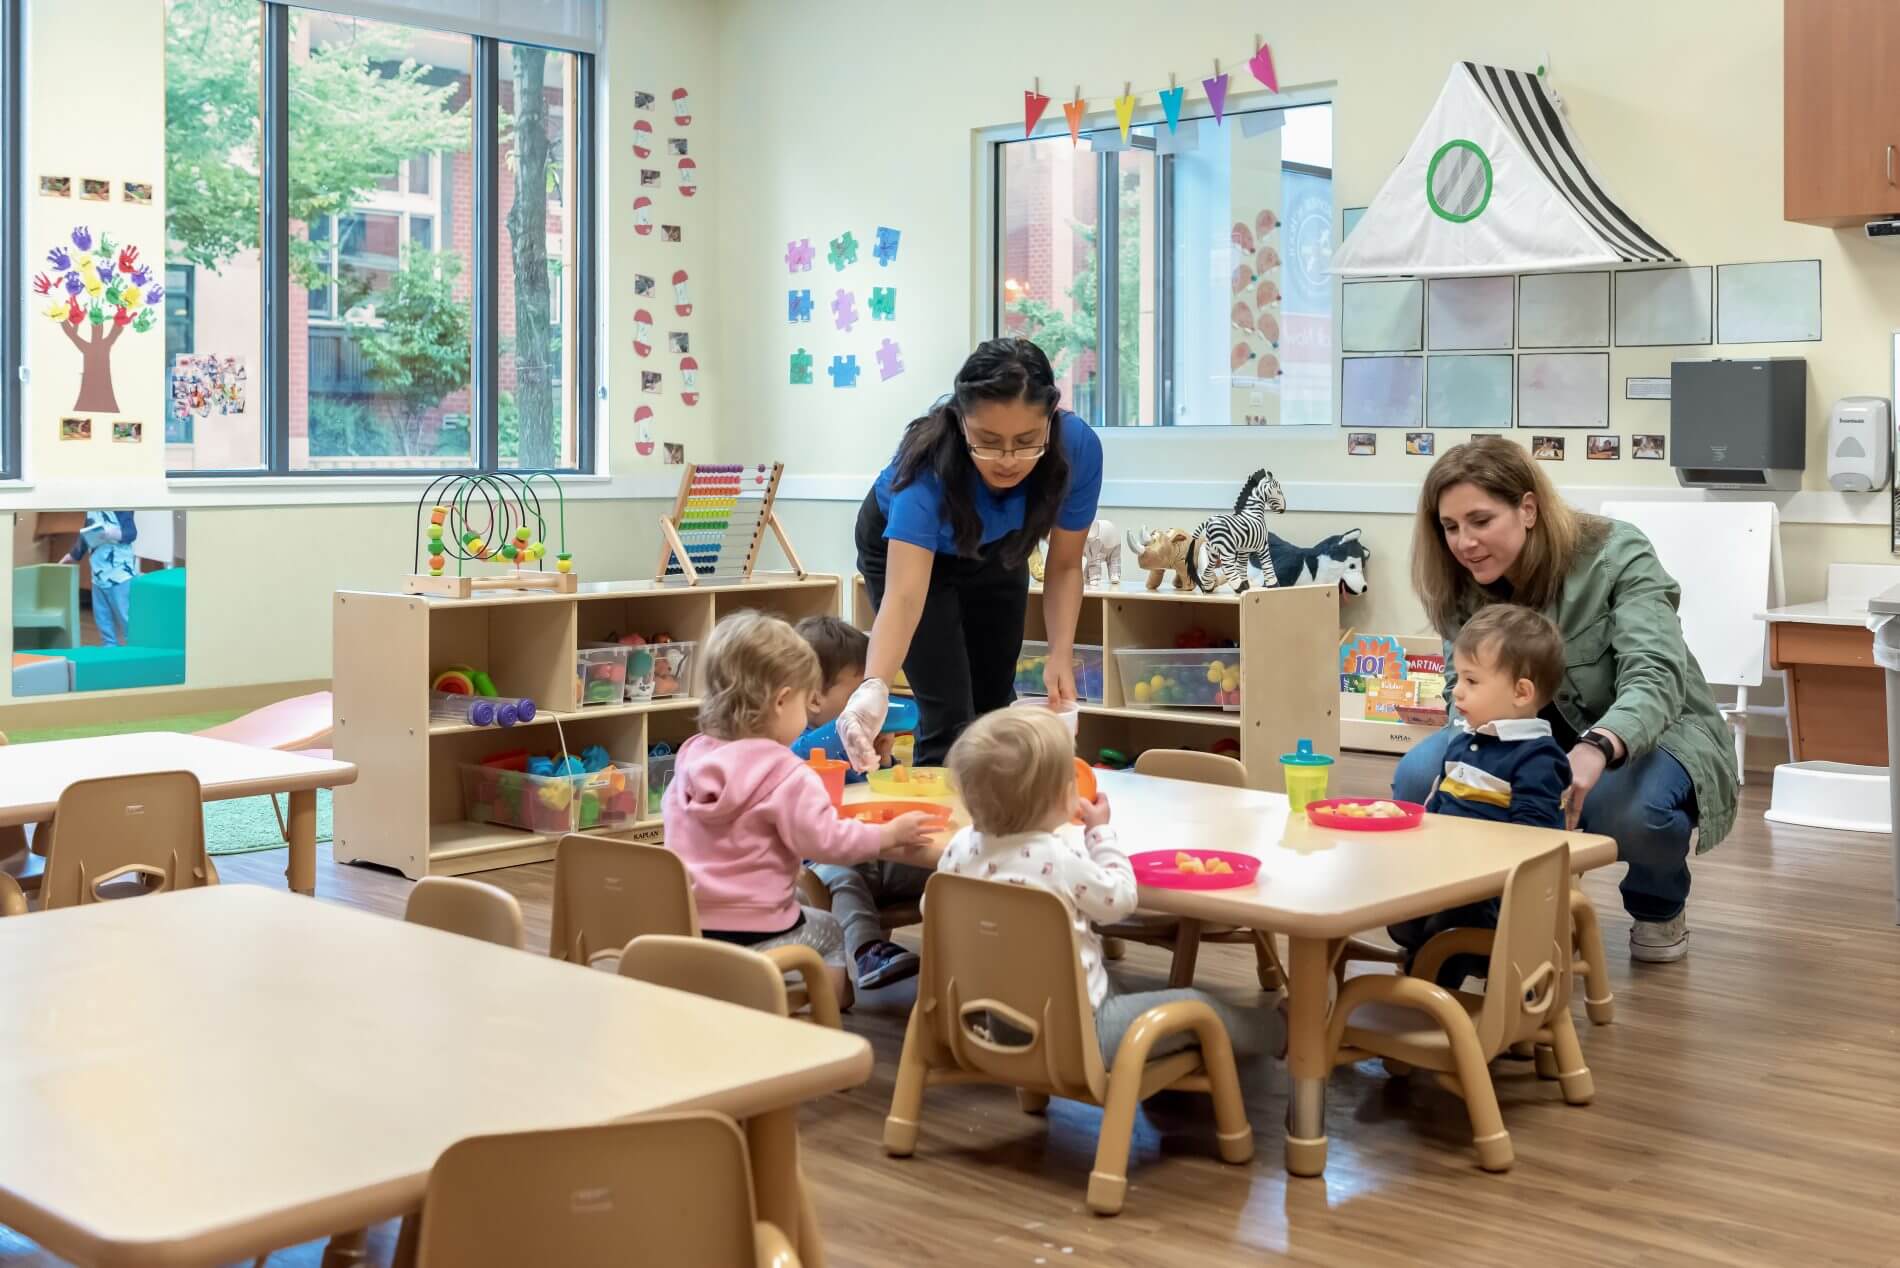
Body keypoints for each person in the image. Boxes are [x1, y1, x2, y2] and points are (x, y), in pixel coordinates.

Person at [1397, 437, 1738, 962]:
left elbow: (1654, 675)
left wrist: (1598, 745)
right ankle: (1472, 904)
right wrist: (1472, 758)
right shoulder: (1462, 583)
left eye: (1481, 521)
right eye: (1450, 527)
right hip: (1519, 736)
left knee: (1628, 810)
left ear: (1528, 509)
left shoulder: (1616, 552)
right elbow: (1455, 688)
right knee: (1421, 776)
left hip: (1653, 729)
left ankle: (1658, 903)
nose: (1464, 542)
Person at [938, 708, 1281, 1061]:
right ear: (1061, 798)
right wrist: (1100, 833)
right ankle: (1282, 1031)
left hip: (999, 1024)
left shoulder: (960, 848)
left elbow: (934, 912)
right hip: (1078, 1033)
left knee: (1122, 990)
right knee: (1196, 1007)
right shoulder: (1057, 859)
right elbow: (1120, 899)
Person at [838, 338, 1103, 771]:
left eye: (1026, 440)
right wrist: (874, 686)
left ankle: (1001, 824)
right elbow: (904, 597)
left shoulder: (1078, 449)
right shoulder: (925, 473)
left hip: (997, 545)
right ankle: (945, 833)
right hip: (907, 553)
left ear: (1051, 418)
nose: (1008, 460)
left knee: (996, 704)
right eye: (988, 440)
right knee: (950, 716)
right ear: (961, 423)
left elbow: (1065, 564)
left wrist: (1060, 652)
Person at [662, 610, 939, 1008]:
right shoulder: (784, 771)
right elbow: (828, 842)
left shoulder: (691, 756)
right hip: (760, 929)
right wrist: (888, 836)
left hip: (690, 925)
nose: (808, 714)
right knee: (828, 932)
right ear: (780, 702)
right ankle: (831, 1018)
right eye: (805, 702)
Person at [1387, 604, 1572, 985]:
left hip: (1493, 896)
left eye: (1472, 681)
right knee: (1397, 913)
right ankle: (1424, 969)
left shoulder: (1537, 758)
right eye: (1459, 680)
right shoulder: (1464, 744)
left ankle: (1434, 1000)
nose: (1457, 692)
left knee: (1446, 930)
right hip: (1450, 874)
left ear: (1521, 693)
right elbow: (1439, 807)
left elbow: (1532, 839)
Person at [790, 615, 928, 990]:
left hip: (876, 853)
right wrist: (852, 728)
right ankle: (868, 951)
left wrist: (882, 761)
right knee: (842, 880)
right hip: (821, 868)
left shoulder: (855, 740)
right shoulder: (796, 741)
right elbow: (809, 754)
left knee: (940, 865)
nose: (870, 706)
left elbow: (878, 792)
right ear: (815, 698)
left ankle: (966, 945)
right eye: (859, 693)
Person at [59, 510, 138, 647]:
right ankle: (109, 648)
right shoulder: (92, 509)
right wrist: (73, 555)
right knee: (103, 619)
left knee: (127, 619)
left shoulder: (121, 506)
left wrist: (111, 533)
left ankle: (134, 649)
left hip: (120, 577)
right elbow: (85, 536)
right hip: (98, 576)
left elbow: (131, 533)